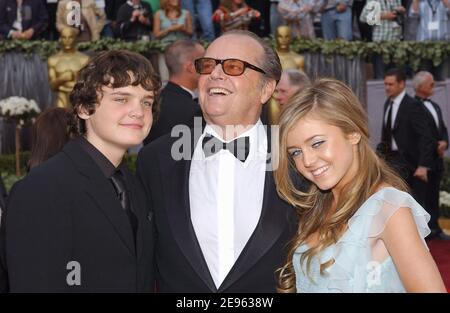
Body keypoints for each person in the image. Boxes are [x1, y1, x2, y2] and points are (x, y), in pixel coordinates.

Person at [137, 30, 297, 292]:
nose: (215, 74)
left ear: (266, 88)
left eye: (233, 66)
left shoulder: (297, 158)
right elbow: (142, 263)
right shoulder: (155, 160)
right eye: (208, 65)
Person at [5, 50, 160, 292]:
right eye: (121, 99)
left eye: (146, 101)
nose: (138, 111)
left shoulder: (135, 186)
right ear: (84, 109)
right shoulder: (41, 188)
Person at [275, 78, 446, 292]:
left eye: (317, 143)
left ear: (353, 132)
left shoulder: (389, 209)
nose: (307, 161)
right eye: (296, 152)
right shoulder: (315, 208)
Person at [378, 68, 435, 210]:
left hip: (411, 165)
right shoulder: (387, 104)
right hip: (392, 163)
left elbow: (426, 137)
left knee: (414, 208)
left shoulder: (413, 105)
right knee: (394, 206)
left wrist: (423, 166)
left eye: (390, 84)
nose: (387, 87)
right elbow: (387, 134)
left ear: (401, 84)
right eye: (385, 84)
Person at [144, 39, 204, 143]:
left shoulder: (155, 101)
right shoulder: (193, 111)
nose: (209, 68)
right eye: (205, 62)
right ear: (191, 67)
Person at [413, 71, 450, 240]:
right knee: (422, 197)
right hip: (422, 162)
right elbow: (420, 135)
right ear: (420, 87)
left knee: (434, 195)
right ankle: (423, 232)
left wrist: (445, 142)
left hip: (437, 161)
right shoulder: (412, 107)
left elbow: (442, 128)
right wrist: (436, 145)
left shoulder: (435, 106)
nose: (434, 86)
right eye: (431, 84)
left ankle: (435, 228)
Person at [48, 27, 90, 109]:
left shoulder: (84, 59)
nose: (67, 40)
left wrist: (74, 79)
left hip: (79, 100)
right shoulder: (53, 60)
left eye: (70, 37)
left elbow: (88, 85)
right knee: (60, 119)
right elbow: (52, 86)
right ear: (60, 39)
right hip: (61, 99)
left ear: (75, 38)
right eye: (64, 37)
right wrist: (63, 78)